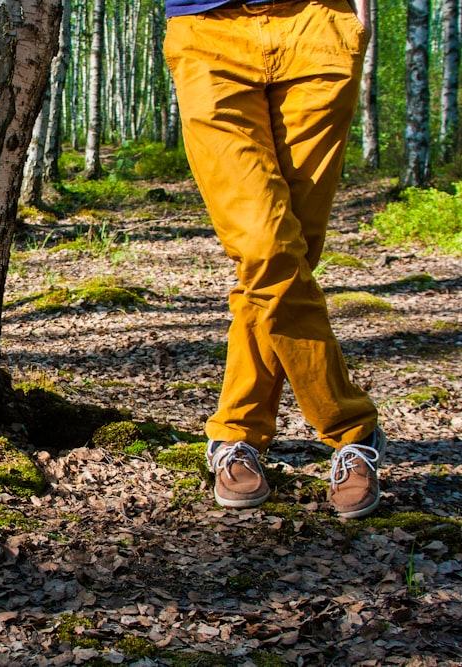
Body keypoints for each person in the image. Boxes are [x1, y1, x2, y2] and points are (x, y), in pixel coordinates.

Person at [163, 0, 386, 518]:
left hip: (318, 25)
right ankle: (351, 428)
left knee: (287, 258)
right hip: (207, 31)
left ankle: (236, 435)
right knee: (265, 248)